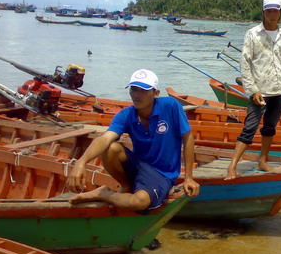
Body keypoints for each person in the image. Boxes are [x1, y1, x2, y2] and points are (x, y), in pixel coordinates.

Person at [67, 69, 200, 211]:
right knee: (110, 148)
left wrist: (189, 178)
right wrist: (81, 162)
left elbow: (187, 137)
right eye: (133, 90)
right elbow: (105, 138)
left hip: (162, 174)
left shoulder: (170, 106)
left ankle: (104, 194)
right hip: (139, 166)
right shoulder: (126, 114)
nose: (137, 95)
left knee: (139, 202)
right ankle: (126, 186)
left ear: (155, 93)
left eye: (143, 91)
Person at [225, 0, 281, 180]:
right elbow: (245, 63)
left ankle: (262, 161)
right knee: (250, 127)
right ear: (263, 12)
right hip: (260, 90)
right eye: (269, 11)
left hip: (279, 90)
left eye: (275, 11)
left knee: (269, 128)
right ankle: (232, 167)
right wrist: (252, 90)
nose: (272, 14)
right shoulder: (253, 34)